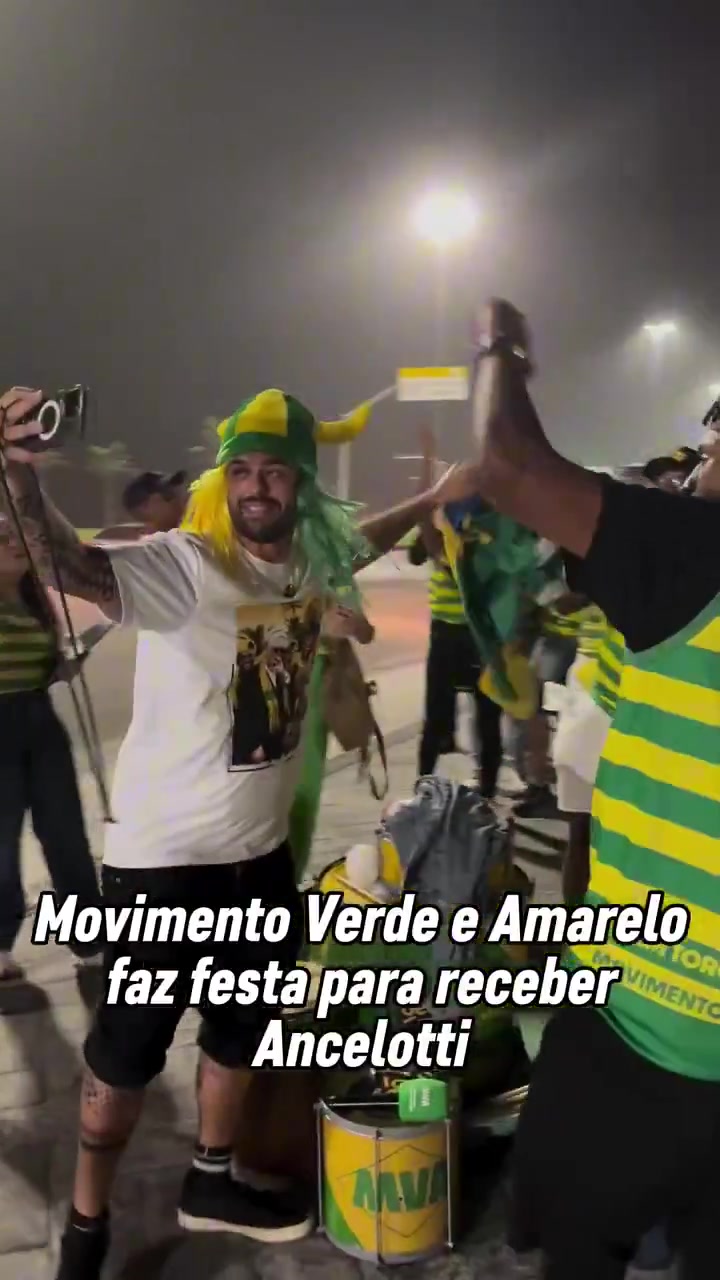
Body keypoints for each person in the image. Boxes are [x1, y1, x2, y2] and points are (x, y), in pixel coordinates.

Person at [0, 385, 475, 1280]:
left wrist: (432, 497)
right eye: (242, 469)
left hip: (260, 865)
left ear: (301, 484)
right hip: (162, 873)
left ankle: (211, 1180)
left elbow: (362, 541)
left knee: (240, 1034)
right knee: (123, 1063)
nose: (257, 485)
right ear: (224, 481)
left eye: (277, 470)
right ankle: (85, 1227)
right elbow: (66, 563)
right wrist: (19, 472)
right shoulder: (185, 564)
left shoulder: (311, 562)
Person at [470, 299, 720, 1280]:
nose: (696, 474)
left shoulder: (697, 556)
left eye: (712, 452)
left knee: (579, 1246)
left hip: (637, 1034)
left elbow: (507, 461)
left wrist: (499, 345)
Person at [0, 520, 102, 991]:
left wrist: (64, 664)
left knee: (66, 836)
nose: (15, 546)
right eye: (2, 540)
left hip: (40, 720)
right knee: (2, 845)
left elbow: (38, 666)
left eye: (18, 537)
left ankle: (90, 940)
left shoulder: (36, 601)